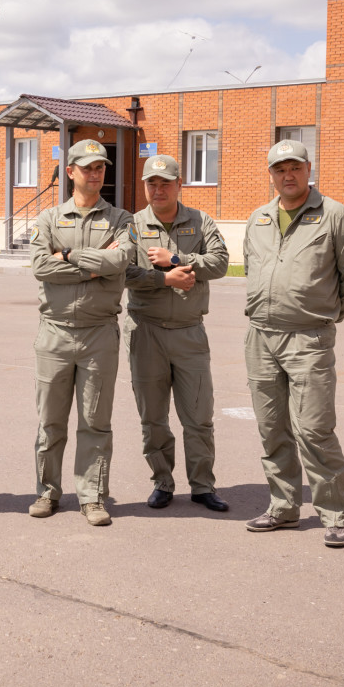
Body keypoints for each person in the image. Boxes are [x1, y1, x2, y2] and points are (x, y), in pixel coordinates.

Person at [243, 139, 344, 548]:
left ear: (308, 168)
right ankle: (283, 507)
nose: (288, 175)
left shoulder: (334, 216)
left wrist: (325, 319)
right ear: (271, 175)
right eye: (280, 169)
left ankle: (334, 513)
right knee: (271, 428)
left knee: (314, 428)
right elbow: (253, 268)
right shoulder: (259, 218)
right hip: (261, 336)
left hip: (308, 338)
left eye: (295, 167)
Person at [28, 139, 132, 526]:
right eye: (87, 167)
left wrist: (69, 255)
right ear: (70, 171)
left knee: (94, 421)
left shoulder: (123, 220)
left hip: (99, 334)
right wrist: (96, 266)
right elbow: (40, 266)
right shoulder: (49, 219)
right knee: (50, 421)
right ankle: (47, 491)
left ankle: (91, 496)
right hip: (54, 333)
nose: (95, 173)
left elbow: (120, 259)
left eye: (101, 167)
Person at [124, 155, 230, 512]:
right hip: (146, 332)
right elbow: (123, 273)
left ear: (178, 184)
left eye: (165, 182)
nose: (158, 189)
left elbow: (219, 263)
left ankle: (202, 485)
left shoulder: (200, 221)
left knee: (199, 416)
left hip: (189, 333)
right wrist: (164, 278)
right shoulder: (133, 225)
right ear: (144, 186)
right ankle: (163, 481)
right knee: (153, 417)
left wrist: (178, 259)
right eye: (151, 183)